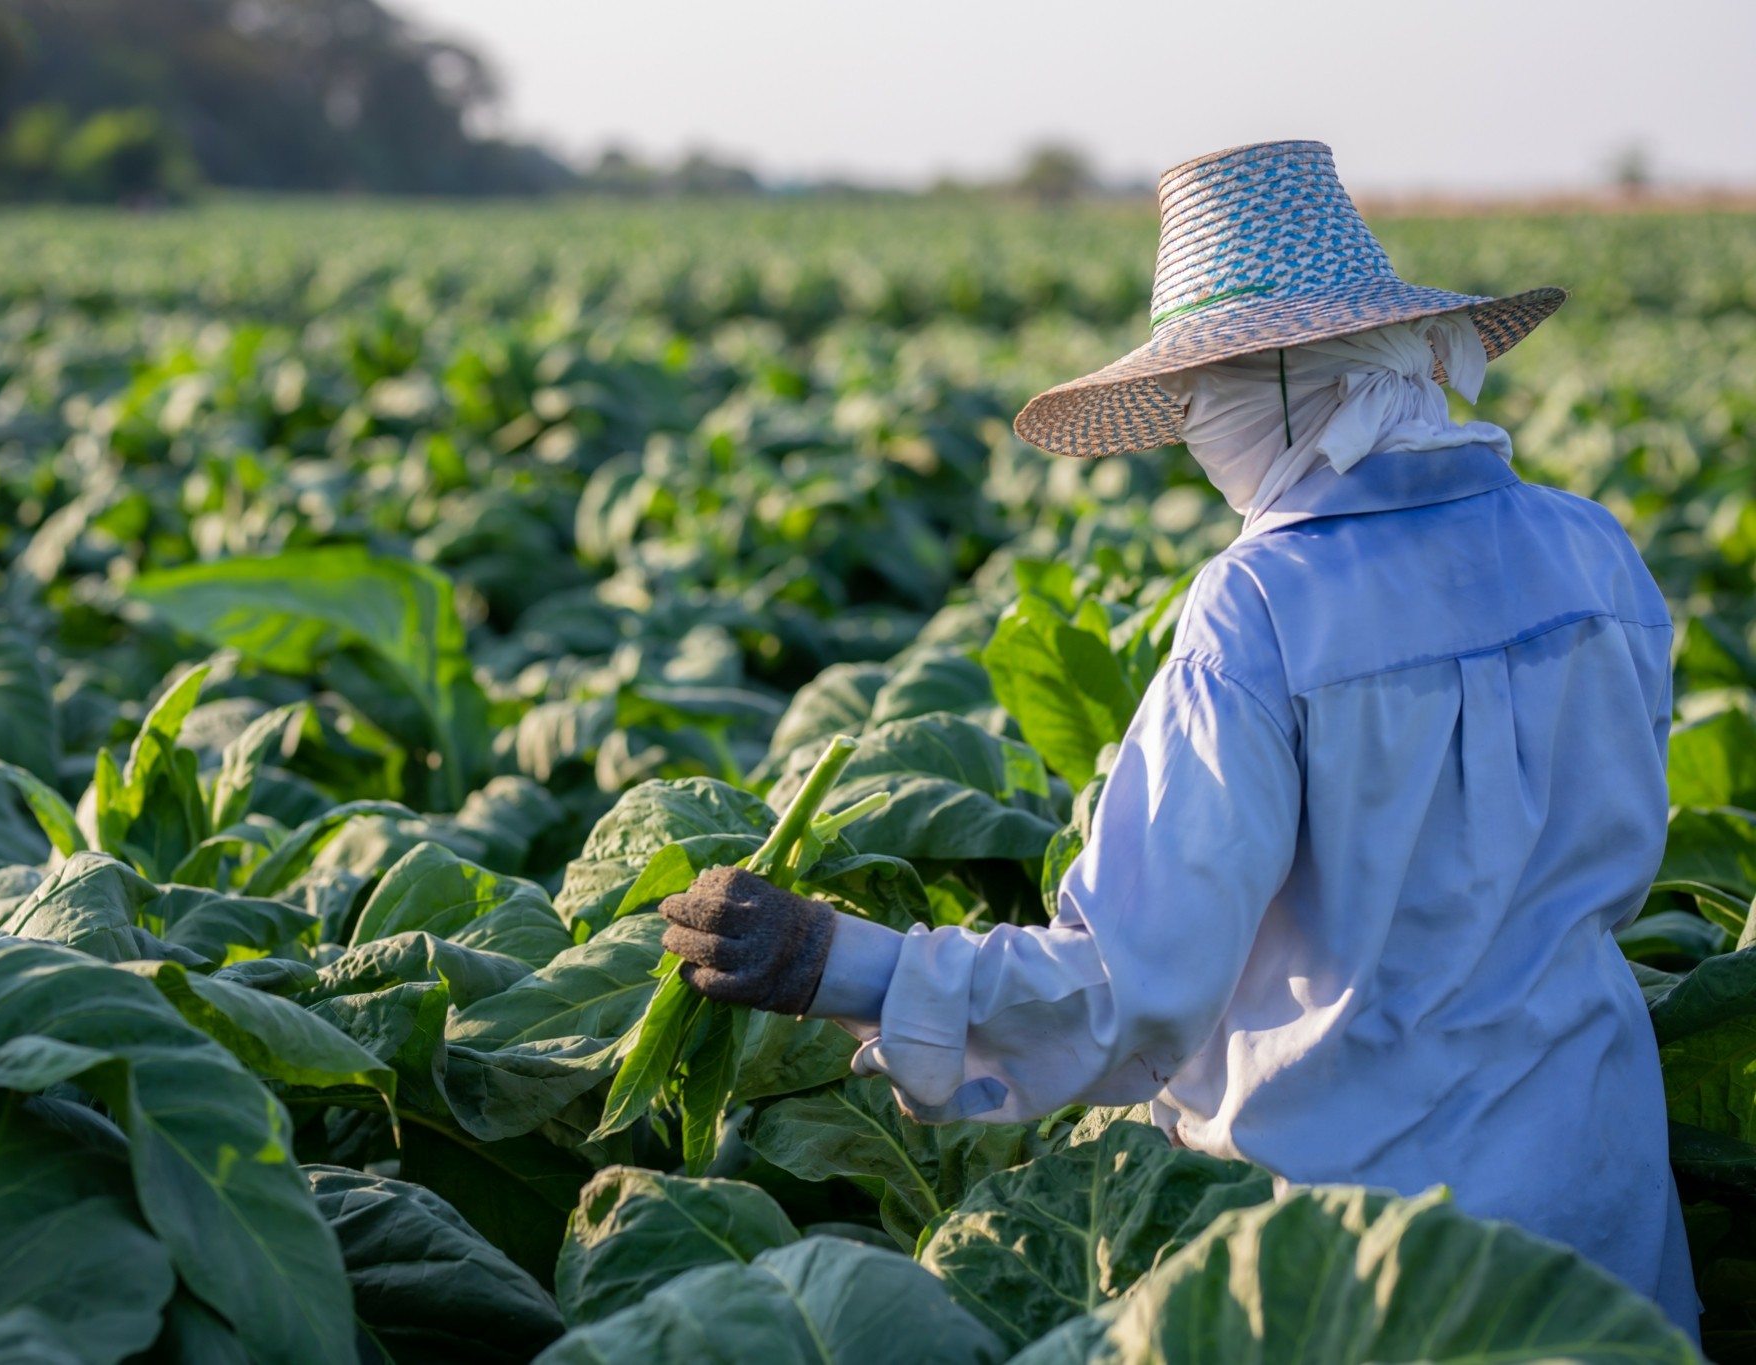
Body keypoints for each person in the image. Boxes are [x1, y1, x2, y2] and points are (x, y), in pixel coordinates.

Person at [656, 140, 1703, 1337]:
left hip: (1367, 1263)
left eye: (1198, 401)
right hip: (1602, 1208)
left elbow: (1137, 989)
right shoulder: (1590, 549)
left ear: (1273, 385)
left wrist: (842, 965)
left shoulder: (1262, 605)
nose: (1195, 434)